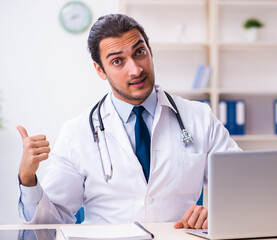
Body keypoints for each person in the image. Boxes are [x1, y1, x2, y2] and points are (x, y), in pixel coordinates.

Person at [17, 14, 241, 229]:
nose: (136, 69)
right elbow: (51, 224)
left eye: (139, 52)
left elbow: (243, 187)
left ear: (150, 51)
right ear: (100, 70)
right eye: (117, 61)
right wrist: (27, 179)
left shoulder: (199, 118)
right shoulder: (76, 132)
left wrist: (217, 213)